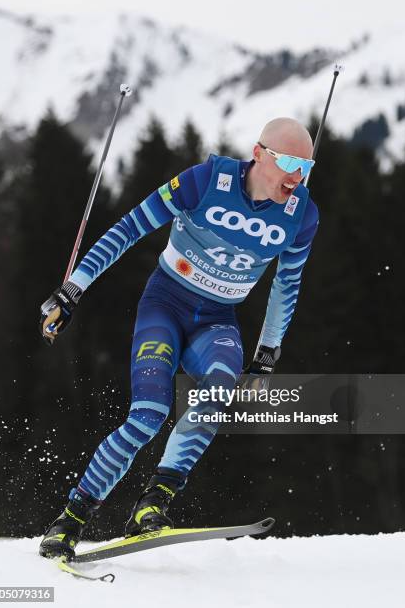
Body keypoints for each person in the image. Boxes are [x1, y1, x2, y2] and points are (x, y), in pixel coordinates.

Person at [38, 117, 319, 559]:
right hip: (165, 307)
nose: (297, 176)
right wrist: (72, 289)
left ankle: (153, 504)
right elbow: (130, 228)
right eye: (288, 161)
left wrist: (267, 353)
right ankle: (70, 519)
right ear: (259, 153)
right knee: (148, 414)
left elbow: (287, 286)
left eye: (306, 165)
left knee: (219, 391)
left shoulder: (300, 215)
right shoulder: (207, 180)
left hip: (216, 320)